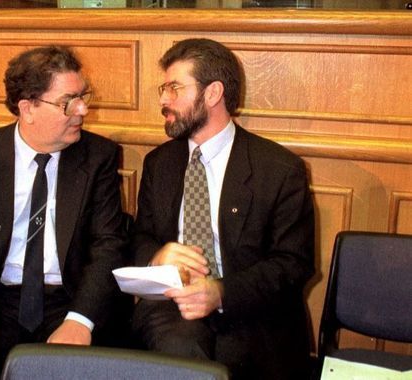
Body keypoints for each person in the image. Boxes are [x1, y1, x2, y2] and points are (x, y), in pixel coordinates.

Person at [0, 45, 127, 379]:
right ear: (28, 108)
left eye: (83, 96)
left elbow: (108, 248)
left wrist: (79, 321)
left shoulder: (99, 158)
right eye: (68, 101)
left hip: (68, 300)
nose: (82, 110)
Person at [131, 38, 315, 380]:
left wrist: (220, 292)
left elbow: (294, 264)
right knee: (181, 349)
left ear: (213, 93)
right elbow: (141, 236)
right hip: (173, 307)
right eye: (164, 88)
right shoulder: (160, 163)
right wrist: (158, 255)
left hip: (251, 309)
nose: (163, 100)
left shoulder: (278, 169)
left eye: (174, 88)